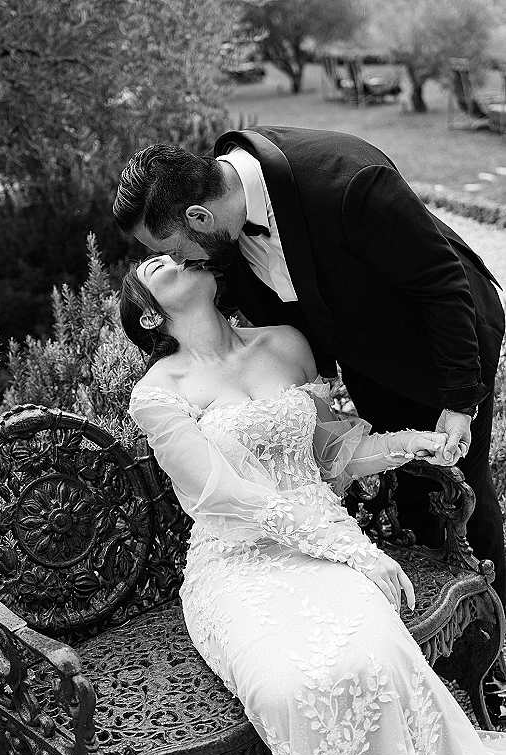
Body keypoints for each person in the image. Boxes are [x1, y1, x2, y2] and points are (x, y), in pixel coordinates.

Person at [112, 128, 506, 710]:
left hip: (437, 338)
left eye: (172, 250)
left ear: (199, 216)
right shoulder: (220, 256)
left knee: (465, 488)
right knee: (412, 504)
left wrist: (456, 405)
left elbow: (439, 283)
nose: (175, 262)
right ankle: (438, 657)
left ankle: (494, 663)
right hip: (357, 371)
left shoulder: (346, 181)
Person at [121, 253, 506, 755]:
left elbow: (329, 454)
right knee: (288, 687)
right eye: (155, 267)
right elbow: (225, 497)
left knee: (373, 656)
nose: (172, 257)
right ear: (149, 316)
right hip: (239, 567)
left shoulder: (285, 342)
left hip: (326, 556)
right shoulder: (158, 393)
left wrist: (414, 444)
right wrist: (355, 550)